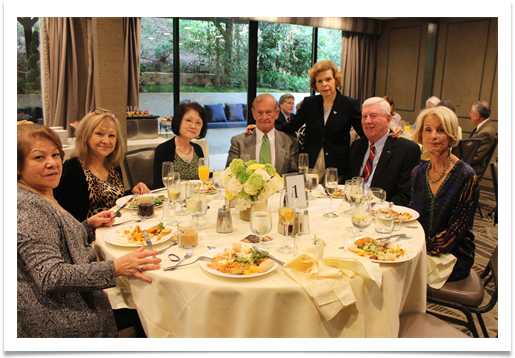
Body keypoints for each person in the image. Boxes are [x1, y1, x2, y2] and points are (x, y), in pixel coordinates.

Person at [17, 123, 161, 337]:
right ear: (17, 166)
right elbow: (51, 276)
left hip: (81, 294)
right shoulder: (26, 207)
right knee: (150, 311)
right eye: (39, 157)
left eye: (56, 155)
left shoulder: (42, 193)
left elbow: (57, 240)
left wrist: (87, 227)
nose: (52, 163)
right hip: (63, 315)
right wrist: (115, 268)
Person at [410, 106, 479, 282]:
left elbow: (455, 232)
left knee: (397, 271)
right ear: (421, 135)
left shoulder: (465, 176)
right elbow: (413, 216)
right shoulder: (418, 172)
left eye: (441, 130)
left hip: (454, 255)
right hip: (422, 249)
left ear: (451, 135)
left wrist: (418, 248)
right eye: (428, 130)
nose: (433, 135)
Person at [54, 109, 150, 222]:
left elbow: (113, 199)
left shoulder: (113, 165)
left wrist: (132, 192)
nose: (106, 140)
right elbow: (65, 218)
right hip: (90, 236)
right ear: (85, 136)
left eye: (111, 135)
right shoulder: (73, 168)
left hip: (117, 229)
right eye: (99, 134)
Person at [346, 97, 420, 206]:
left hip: (382, 214)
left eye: (373, 116)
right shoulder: (357, 146)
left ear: (388, 119)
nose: (368, 121)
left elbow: (404, 196)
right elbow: (349, 183)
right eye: (364, 116)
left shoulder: (406, 150)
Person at [225, 93, 299, 175]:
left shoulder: (290, 143)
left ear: (276, 113)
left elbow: (294, 178)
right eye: (260, 112)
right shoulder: (238, 142)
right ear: (254, 114)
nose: (264, 117)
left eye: (268, 112)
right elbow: (229, 175)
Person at [152, 100, 208, 189]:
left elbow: (202, 182)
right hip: (172, 199)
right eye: (188, 120)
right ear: (178, 121)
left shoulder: (198, 149)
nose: (193, 126)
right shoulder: (163, 150)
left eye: (198, 122)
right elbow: (159, 186)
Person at [468, 100, 497, 175]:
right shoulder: (487, 126)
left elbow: (476, 157)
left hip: (472, 170)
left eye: (471, 112)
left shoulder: (486, 132)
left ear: (478, 116)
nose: (470, 115)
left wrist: (457, 161)